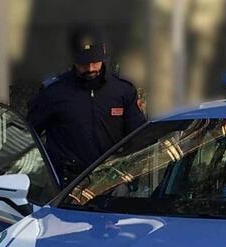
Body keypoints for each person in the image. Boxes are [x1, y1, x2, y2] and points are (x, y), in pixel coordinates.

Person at [27, 26, 146, 186]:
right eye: (83, 63)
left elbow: (139, 139)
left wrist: (129, 177)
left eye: (94, 62)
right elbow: (27, 134)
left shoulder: (122, 91)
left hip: (110, 182)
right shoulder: (53, 93)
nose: (90, 69)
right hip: (66, 186)